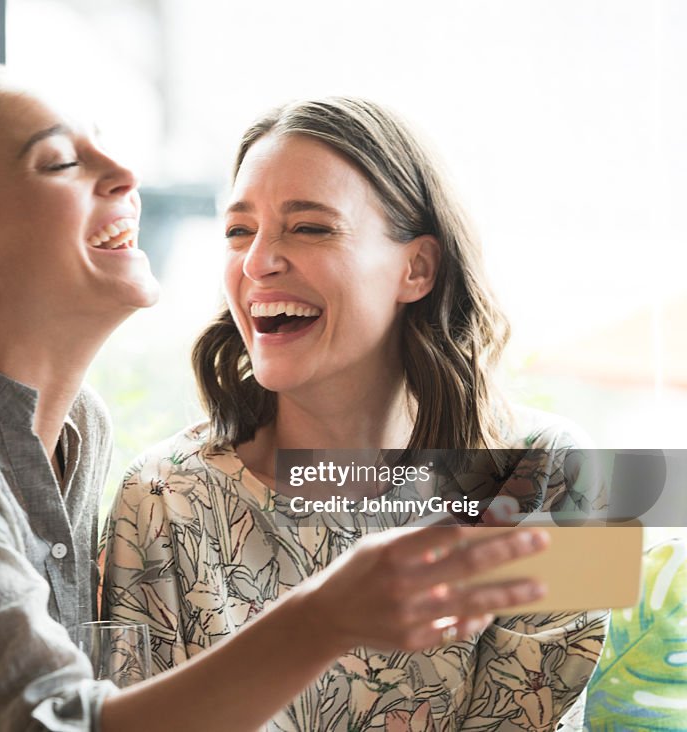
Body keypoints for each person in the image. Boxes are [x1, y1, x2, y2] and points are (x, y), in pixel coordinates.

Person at [0, 53, 551, 732]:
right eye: (63, 161)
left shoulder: (75, 438)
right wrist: (324, 617)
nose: (124, 173)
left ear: (419, 267)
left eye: (311, 226)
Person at [101, 97, 608, 731]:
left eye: (310, 227)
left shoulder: (550, 474)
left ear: (416, 267)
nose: (257, 261)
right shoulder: (160, 496)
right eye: (238, 231)